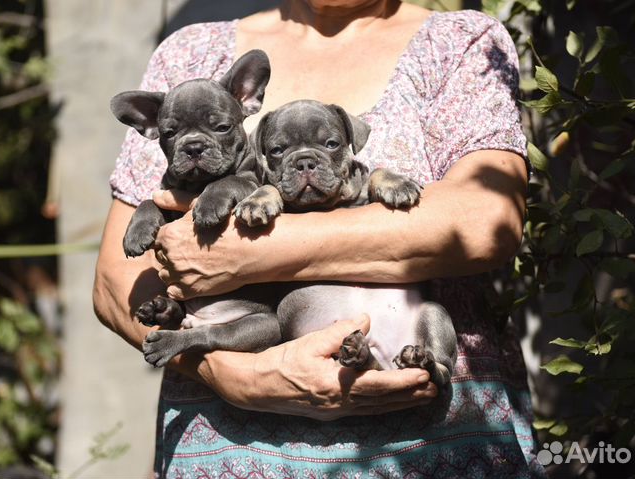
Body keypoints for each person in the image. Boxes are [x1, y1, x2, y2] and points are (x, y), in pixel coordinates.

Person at [94, 0, 546, 476]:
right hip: (228, 448)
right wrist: (233, 372)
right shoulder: (190, 54)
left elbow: (484, 224)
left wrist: (255, 252)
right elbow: (114, 282)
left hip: (435, 440)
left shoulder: (459, 43)